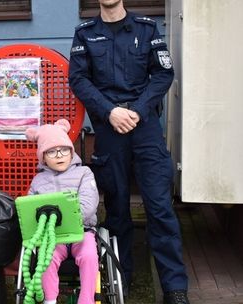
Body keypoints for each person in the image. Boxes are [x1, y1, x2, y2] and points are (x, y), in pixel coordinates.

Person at [68, 0, 189, 303]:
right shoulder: (85, 34)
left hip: (144, 127)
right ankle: (121, 281)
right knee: (117, 209)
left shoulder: (147, 29)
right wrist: (110, 112)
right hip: (109, 131)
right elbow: (78, 79)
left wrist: (135, 110)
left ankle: (174, 288)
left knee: (160, 208)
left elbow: (163, 73)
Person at [25, 119, 99, 304]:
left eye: (64, 149)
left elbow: (89, 205)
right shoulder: (38, 181)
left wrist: (68, 220)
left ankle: (86, 300)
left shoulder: (84, 173)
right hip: (53, 237)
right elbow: (30, 210)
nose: (59, 155)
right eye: (52, 151)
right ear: (43, 157)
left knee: (89, 255)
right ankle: (50, 300)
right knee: (45, 257)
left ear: (71, 151)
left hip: (81, 231)